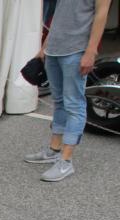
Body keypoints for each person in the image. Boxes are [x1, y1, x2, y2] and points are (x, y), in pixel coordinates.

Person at [25, 0, 111, 182]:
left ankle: (66, 161)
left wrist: (91, 51)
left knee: (74, 104)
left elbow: (101, 15)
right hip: (54, 48)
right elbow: (59, 14)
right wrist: (45, 47)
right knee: (59, 102)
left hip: (76, 50)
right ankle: (54, 150)